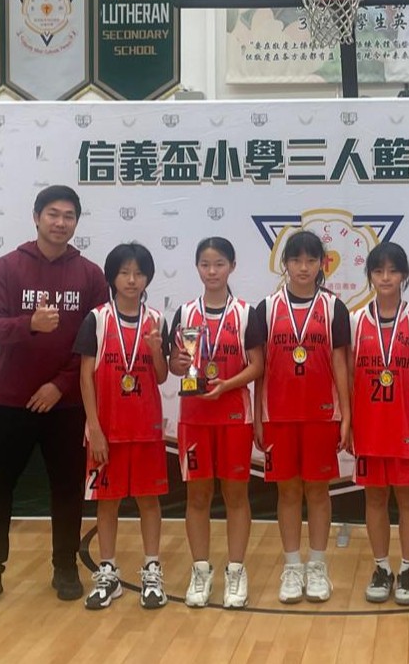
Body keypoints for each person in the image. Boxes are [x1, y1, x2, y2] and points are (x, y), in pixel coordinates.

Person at [0, 185, 109, 610]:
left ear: (76, 222)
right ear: (36, 217)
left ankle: (65, 567)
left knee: (67, 489)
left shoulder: (90, 275)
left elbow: (97, 342)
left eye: (69, 216)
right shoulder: (7, 268)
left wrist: (60, 384)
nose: (60, 222)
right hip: (11, 401)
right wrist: (29, 323)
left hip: (66, 404)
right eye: (53, 214)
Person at [253, 229, 351, 604]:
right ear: (285, 264)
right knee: (288, 491)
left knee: (318, 491)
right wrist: (258, 416)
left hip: (322, 416)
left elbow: (341, 366)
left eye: (311, 260)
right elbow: (259, 369)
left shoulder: (334, 308)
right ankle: (292, 566)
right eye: (296, 260)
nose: (304, 267)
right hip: (278, 416)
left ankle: (317, 565)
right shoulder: (266, 309)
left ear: (322, 264)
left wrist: (346, 415)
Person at [167, 237, 265, 609]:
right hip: (194, 419)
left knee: (236, 496)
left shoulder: (245, 314)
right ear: (197, 267)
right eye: (205, 265)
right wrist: (179, 364)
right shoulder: (185, 313)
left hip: (235, 417)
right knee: (198, 497)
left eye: (219, 264)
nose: (212, 271)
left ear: (232, 267)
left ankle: (236, 570)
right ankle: (201, 570)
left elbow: (258, 366)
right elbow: (177, 364)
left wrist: (227, 385)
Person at [75, 242, 170, 610]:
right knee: (107, 503)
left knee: (149, 501)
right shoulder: (97, 319)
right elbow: (85, 378)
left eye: (139, 273)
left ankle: (152, 569)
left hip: (146, 429)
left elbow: (161, 376)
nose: (132, 280)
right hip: (108, 431)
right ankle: (108, 571)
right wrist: (94, 428)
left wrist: (155, 350)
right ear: (112, 277)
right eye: (125, 272)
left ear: (148, 277)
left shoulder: (156, 320)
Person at [349, 242, 409, 606]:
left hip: (407, 427)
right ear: (369, 275)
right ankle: (382, 568)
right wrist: (348, 424)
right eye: (378, 271)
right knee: (374, 498)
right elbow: (349, 378)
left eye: (393, 271)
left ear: (404, 275)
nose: (385, 278)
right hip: (369, 426)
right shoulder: (355, 321)